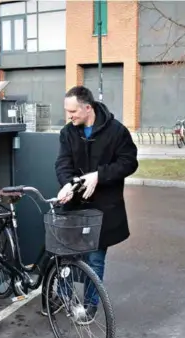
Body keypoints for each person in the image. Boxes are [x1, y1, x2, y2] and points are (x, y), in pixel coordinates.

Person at [42, 85, 139, 320]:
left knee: (95, 260)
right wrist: (67, 183)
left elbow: (129, 162)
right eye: (67, 111)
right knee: (64, 255)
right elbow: (62, 163)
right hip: (73, 206)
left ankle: (90, 306)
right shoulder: (68, 132)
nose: (69, 116)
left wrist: (99, 175)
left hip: (103, 208)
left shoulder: (116, 131)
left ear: (88, 108)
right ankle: (64, 299)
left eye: (73, 111)